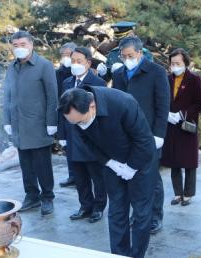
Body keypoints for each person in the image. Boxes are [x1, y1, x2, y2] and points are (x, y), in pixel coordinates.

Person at [59, 86, 157, 258]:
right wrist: (109, 163)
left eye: (81, 121)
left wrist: (131, 167)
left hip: (140, 161)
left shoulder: (123, 103)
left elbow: (145, 141)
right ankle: (119, 254)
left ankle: (137, 254)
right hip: (113, 163)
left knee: (141, 212)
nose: (79, 125)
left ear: (92, 106)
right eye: (75, 123)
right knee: (117, 210)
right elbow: (87, 143)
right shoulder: (75, 115)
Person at [112, 36, 170, 234]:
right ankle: (138, 214)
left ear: (139, 53)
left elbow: (163, 105)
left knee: (151, 178)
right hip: (125, 134)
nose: (127, 58)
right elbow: (115, 103)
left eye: (130, 55)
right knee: (132, 176)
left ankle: (154, 216)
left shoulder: (156, 72)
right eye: (123, 55)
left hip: (148, 135)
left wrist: (159, 134)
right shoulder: (120, 74)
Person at [3, 30, 58, 216]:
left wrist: (52, 122)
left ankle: (48, 197)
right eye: (15, 45)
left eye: (23, 45)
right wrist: (7, 120)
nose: (19, 48)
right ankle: (32, 196)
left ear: (31, 45)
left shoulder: (44, 65)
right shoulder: (12, 67)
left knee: (42, 165)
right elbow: (7, 95)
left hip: (38, 124)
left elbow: (52, 96)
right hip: (18, 125)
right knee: (26, 165)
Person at [58, 47, 107, 223]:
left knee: (97, 176)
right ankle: (85, 206)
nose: (75, 64)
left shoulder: (98, 83)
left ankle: (99, 207)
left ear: (88, 62)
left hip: (91, 137)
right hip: (72, 136)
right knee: (79, 176)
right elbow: (62, 110)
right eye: (73, 61)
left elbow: (101, 112)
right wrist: (62, 135)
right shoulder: (67, 82)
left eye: (79, 61)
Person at [161, 48, 201, 206]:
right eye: (172, 63)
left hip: (187, 125)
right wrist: (167, 114)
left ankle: (188, 193)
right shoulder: (167, 79)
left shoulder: (194, 79)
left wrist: (182, 114)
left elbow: (199, 103)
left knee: (189, 161)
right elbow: (161, 99)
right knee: (174, 160)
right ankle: (177, 193)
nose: (175, 66)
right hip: (171, 126)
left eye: (178, 63)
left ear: (185, 63)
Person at [55, 42, 77, 188]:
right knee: (69, 149)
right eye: (63, 55)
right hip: (65, 113)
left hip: (81, 113)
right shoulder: (58, 73)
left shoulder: (81, 69)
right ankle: (72, 176)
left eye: (68, 55)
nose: (66, 58)